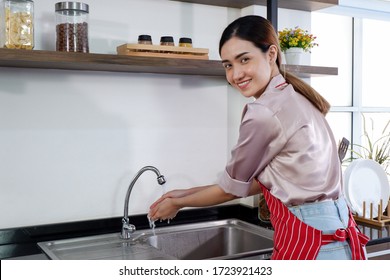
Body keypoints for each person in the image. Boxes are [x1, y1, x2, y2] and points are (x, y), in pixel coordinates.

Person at [148, 15, 369, 260]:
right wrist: (183, 194)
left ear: (271, 54)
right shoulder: (298, 97)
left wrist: (179, 204)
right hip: (336, 241)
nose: (236, 74)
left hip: (313, 244)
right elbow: (267, 181)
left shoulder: (263, 111)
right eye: (228, 65)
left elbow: (232, 189)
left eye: (244, 60)